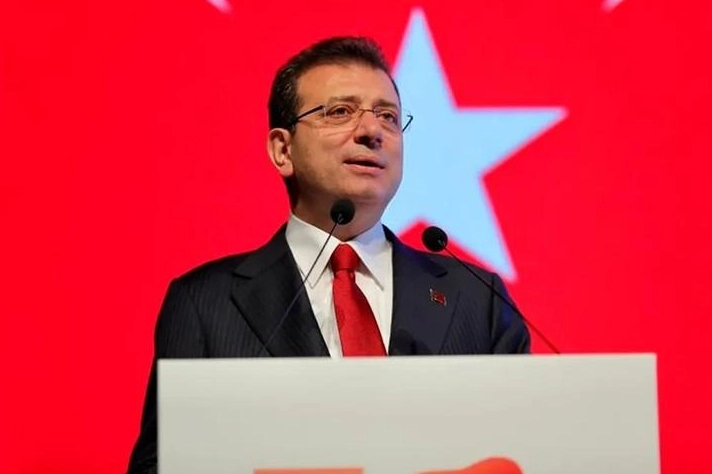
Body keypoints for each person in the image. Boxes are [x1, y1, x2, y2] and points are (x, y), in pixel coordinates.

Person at [126, 36, 530, 474]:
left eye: (388, 116)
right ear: (283, 150)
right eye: (340, 111)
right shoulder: (206, 302)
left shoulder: (478, 298)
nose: (372, 131)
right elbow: (162, 464)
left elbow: (526, 450)